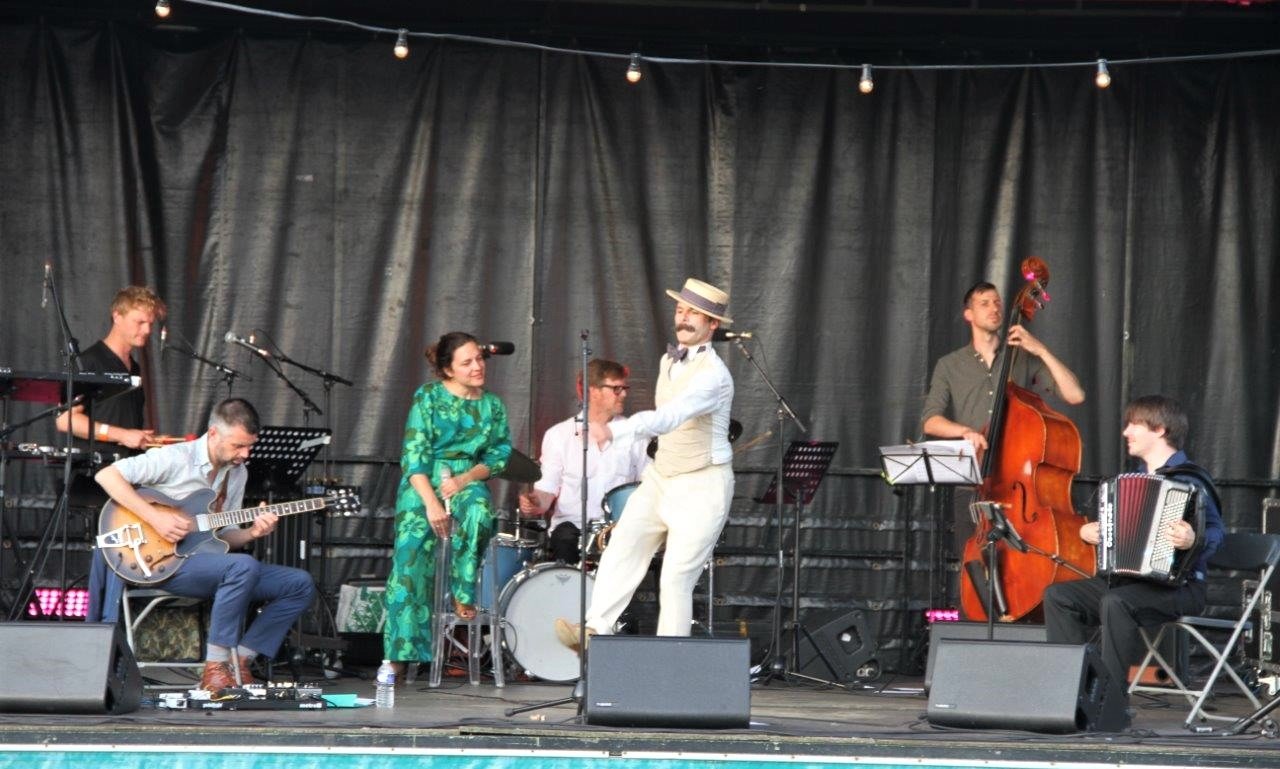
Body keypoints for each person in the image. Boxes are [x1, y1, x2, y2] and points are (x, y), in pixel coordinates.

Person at [556, 278, 735, 648]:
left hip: (702, 484)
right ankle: (594, 629)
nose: (683, 318)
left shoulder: (714, 376)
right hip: (662, 476)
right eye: (680, 310)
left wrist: (615, 431)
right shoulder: (668, 360)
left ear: (712, 324)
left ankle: (669, 662)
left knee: (675, 578)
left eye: (694, 313)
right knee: (623, 545)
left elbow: (671, 416)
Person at [94, 398, 316, 691]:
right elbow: (106, 475)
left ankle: (240, 662)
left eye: (249, 446)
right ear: (213, 434)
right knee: (243, 566)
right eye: (238, 446)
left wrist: (252, 533)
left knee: (299, 583)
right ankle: (215, 668)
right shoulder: (175, 457)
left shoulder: (238, 473)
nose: (245, 454)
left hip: (202, 562)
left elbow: (223, 537)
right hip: (158, 562)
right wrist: (154, 518)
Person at [1043, 394, 1225, 696]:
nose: (1126, 432)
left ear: (1160, 430)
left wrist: (1194, 540)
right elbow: (1117, 532)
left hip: (1180, 587)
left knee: (1115, 603)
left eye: (1134, 425)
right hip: (1126, 584)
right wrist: (1091, 532)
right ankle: (1070, 692)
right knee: (1059, 596)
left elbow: (1218, 534)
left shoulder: (1191, 479)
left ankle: (1110, 701)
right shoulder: (1130, 481)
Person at [383, 332, 512, 674]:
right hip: (424, 481)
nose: (477, 367)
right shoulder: (428, 396)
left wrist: (464, 479)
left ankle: (463, 592)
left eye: (479, 359)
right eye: (467, 362)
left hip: (467, 478)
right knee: (410, 558)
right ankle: (399, 656)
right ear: (448, 369)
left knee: (480, 513)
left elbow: (499, 456)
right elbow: (414, 457)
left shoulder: (492, 405)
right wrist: (432, 504)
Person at [921, 280, 1085, 451]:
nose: (994, 309)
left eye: (997, 303)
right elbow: (930, 422)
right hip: (974, 460)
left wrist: (1042, 351)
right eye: (984, 304)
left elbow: (1075, 396)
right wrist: (966, 431)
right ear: (969, 315)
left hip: (1018, 457)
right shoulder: (949, 365)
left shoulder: (1023, 357)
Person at [519, 358, 649, 565]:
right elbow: (546, 492)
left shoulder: (636, 434)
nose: (624, 394)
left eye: (624, 388)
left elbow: (649, 484)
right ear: (593, 391)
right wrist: (534, 504)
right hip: (572, 528)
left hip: (619, 530)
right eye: (616, 389)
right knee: (564, 538)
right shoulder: (558, 435)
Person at [55, 285, 167, 452]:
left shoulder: (134, 367)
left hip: (126, 464)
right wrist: (122, 435)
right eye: (140, 322)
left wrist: (141, 439)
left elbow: (121, 422)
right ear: (117, 317)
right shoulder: (88, 362)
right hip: (96, 466)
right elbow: (64, 420)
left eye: (150, 324)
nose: (147, 330)